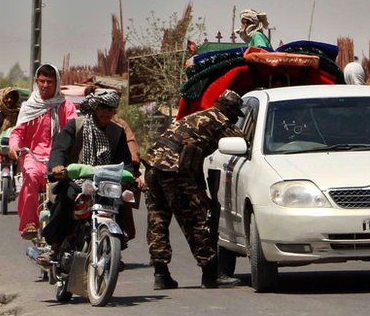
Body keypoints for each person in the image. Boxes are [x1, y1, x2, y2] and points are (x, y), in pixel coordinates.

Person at [144, 89, 245, 290]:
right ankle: (210, 273)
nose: (234, 118)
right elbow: (243, 141)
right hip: (174, 170)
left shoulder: (197, 116)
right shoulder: (219, 120)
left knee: (157, 220)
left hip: (154, 166)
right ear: (230, 110)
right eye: (235, 114)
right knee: (194, 221)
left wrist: (199, 189)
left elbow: (192, 157)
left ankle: (161, 274)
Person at [43, 89, 140, 250]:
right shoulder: (76, 125)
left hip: (105, 182)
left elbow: (125, 161)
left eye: (110, 109)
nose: (106, 113)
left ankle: (115, 247)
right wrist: (57, 166)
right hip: (75, 179)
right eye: (102, 108)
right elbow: (59, 150)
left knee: (121, 201)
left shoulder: (117, 132)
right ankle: (55, 245)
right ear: (95, 108)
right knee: (67, 198)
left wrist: (132, 177)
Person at [8, 64, 77, 240]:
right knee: (30, 177)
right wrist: (14, 146)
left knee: (74, 189)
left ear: (57, 84)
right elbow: (18, 132)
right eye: (42, 81)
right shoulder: (29, 107)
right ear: (36, 82)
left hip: (60, 158)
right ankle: (29, 223)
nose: (45, 86)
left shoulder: (66, 106)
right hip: (34, 157)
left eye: (50, 82)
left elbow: (74, 130)